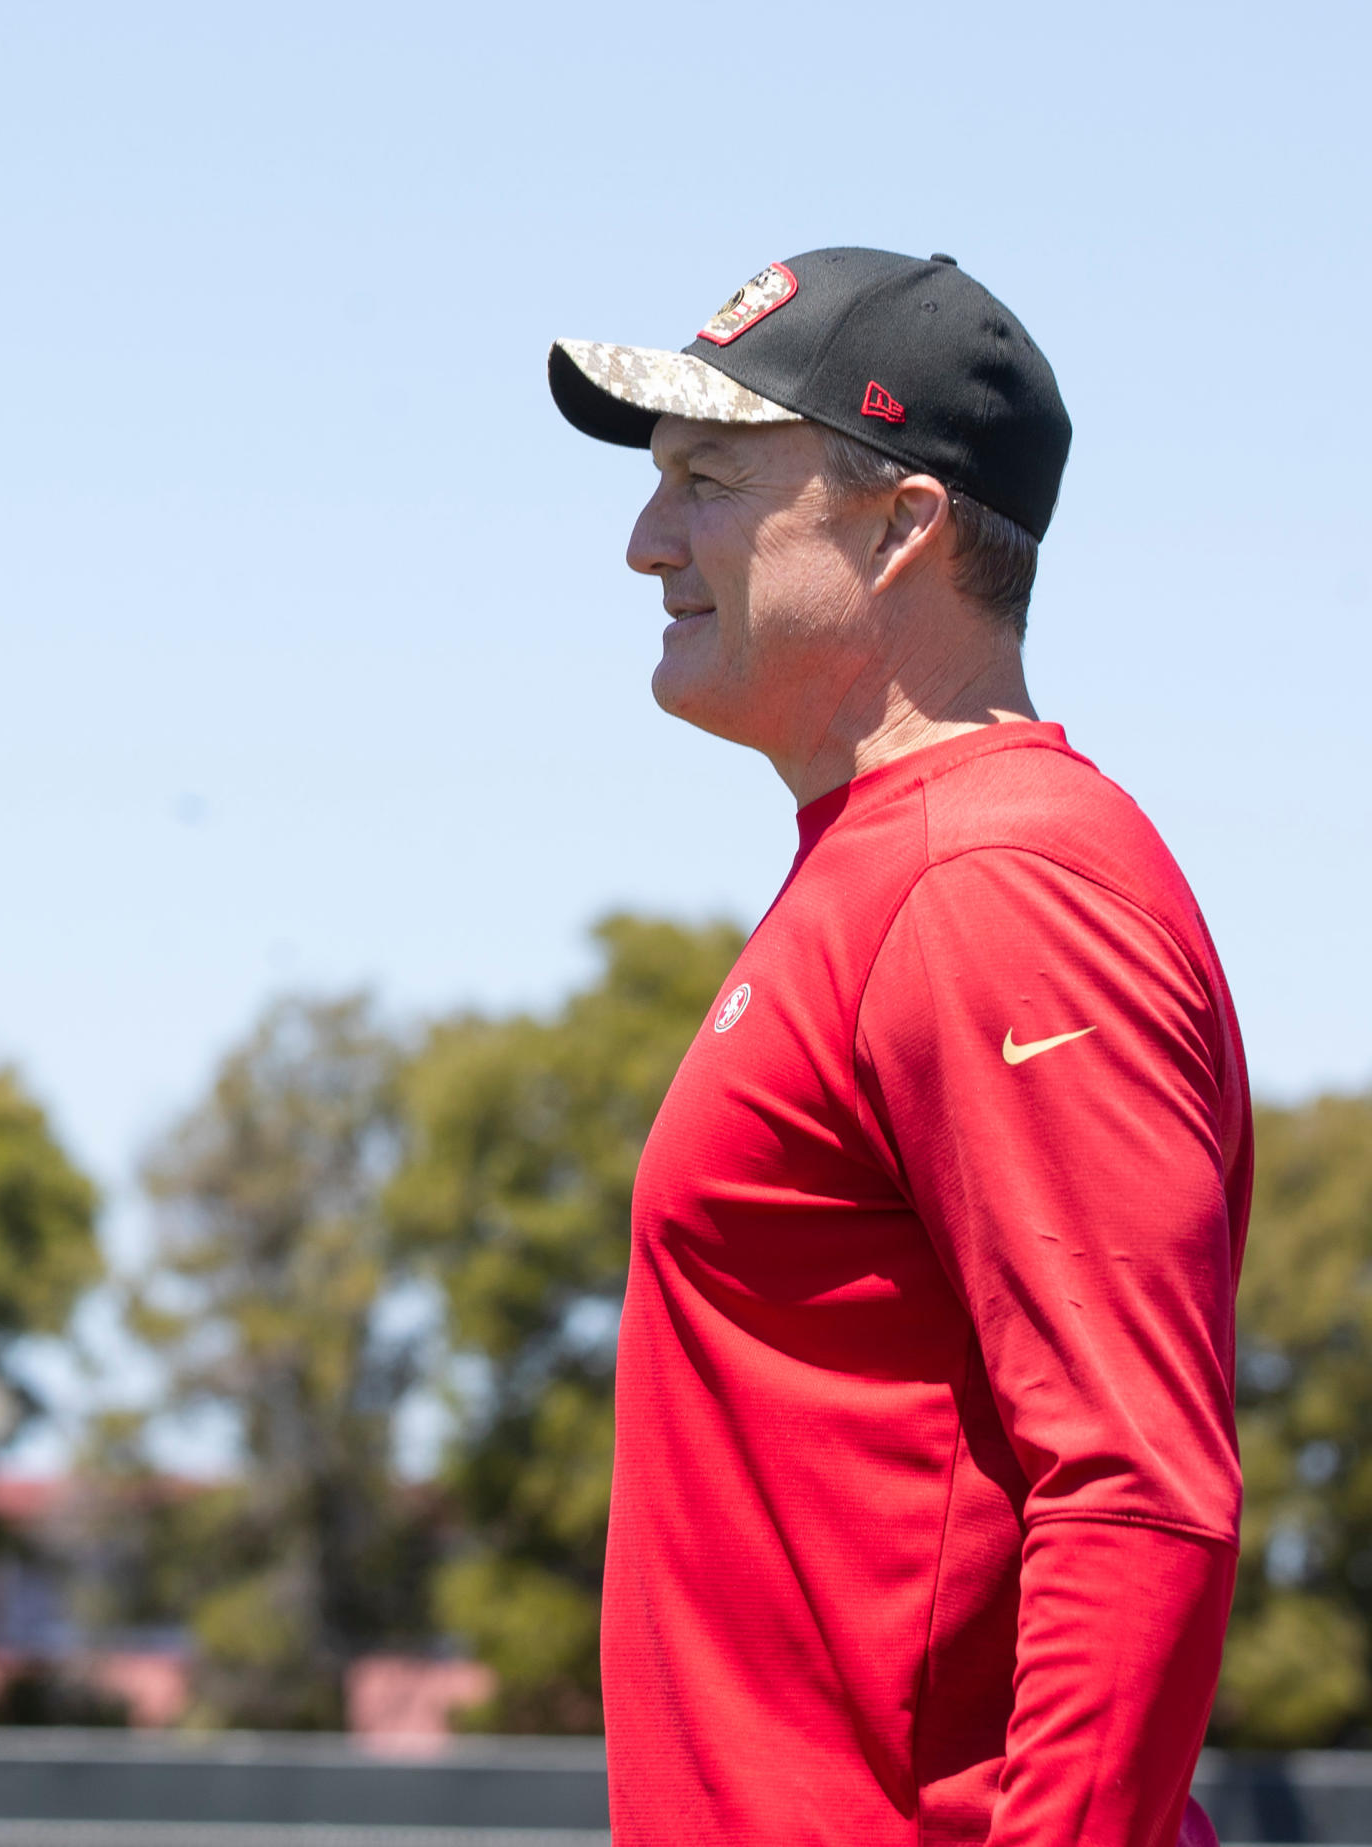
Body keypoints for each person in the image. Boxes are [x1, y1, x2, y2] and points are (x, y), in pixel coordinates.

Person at [549, 250, 1245, 1845]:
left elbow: (1136, 1494)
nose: (647, 540)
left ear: (902, 527)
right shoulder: (896, 863)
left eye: (711, 481)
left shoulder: (991, 883)